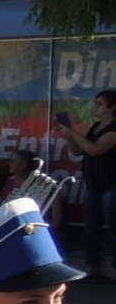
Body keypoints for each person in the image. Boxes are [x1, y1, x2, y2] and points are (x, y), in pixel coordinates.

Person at [55, 88, 116, 281]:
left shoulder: (113, 129)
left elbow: (96, 149)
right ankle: (92, 267)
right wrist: (68, 135)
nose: (96, 107)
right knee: (91, 227)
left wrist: (73, 131)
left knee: (114, 228)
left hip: (111, 185)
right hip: (93, 185)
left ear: (112, 107)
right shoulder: (96, 127)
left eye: (100, 104)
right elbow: (78, 151)